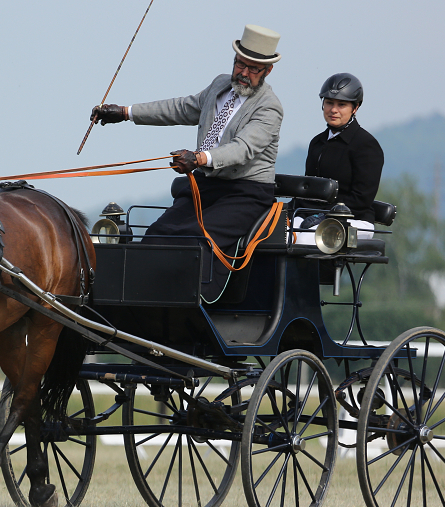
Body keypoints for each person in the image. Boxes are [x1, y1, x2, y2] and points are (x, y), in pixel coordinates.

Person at [91, 24, 283, 301]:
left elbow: (242, 149)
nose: (243, 73)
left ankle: (195, 304)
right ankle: (135, 303)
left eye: (253, 69)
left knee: (193, 239)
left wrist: (199, 158)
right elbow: (180, 108)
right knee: (158, 233)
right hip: (205, 186)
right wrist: (125, 112)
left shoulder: (269, 107)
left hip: (245, 193)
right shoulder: (220, 85)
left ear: (267, 71)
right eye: (240, 64)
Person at [292, 73, 384, 245]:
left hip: (354, 219)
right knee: (279, 234)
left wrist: (325, 214)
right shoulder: (317, 142)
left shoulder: (366, 145)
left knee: (305, 239)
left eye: (341, 104)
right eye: (329, 103)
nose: (333, 110)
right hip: (313, 215)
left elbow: (361, 199)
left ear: (355, 108)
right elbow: (310, 188)